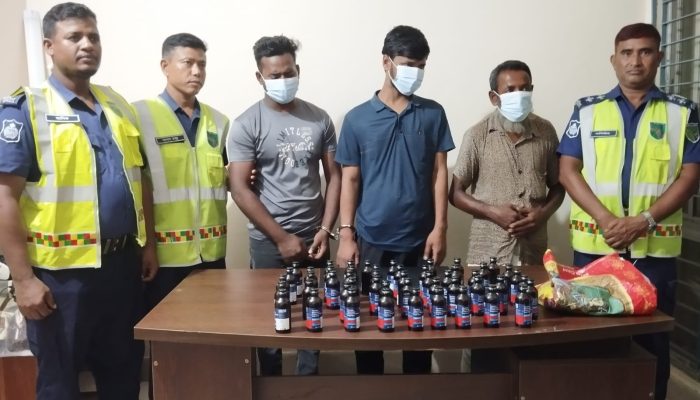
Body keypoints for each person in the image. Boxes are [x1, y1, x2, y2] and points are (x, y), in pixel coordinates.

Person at [0, 3, 156, 399]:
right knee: (60, 384)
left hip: (121, 269)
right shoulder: (26, 109)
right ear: (49, 46)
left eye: (93, 37)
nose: (87, 44)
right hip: (61, 278)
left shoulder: (117, 105)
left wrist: (148, 245)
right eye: (75, 37)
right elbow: (4, 198)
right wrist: (23, 280)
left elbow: (140, 179)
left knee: (123, 378)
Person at [558, 23, 700, 400]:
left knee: (652, 344)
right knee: (592, 342)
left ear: (660, 57)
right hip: (595, 250)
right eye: (627, 53)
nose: (635, 61)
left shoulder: (683, 112)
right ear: (614, 60)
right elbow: (567, 171)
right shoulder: (588, 110)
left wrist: (644, 221)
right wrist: (607, 220)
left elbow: (690, 176)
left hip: (654, 254)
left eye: (645, 51)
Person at [334, 25, 455, 374]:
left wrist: (440, 228)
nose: (414, 72)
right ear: (386, 62)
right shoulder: (357, 119)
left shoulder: (433, 113)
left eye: (421, 66)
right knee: (369, 330)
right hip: (370, 240)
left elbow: (439, 172)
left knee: (417, 329)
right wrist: (346, 235)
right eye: (407, 64)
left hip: (420, 240)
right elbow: (349, 179)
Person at [227, 35, 340, 375]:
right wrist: (281, 238)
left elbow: (335, 178)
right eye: (274, 75)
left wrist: (325, 230)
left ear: (298, 70)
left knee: (313, 315)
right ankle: (271, 383)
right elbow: (239, 188)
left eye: (288, 73)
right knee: (269, 320)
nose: (283, 80)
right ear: (259, 77)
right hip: (268, 241)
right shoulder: (247, 123)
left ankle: (307, 384)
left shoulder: (319, 119)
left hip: (315, 237)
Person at [132, 33, 229, 313]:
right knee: (165, 331)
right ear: (165, 66)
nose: (197, 71)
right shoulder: (139, 116)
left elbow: (220, 178)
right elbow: (137, 185)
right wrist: (148, 248)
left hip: (211, 253)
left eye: (202, 64)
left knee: (213, 325)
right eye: (188, 63)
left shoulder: (218, 121)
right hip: (163, 258)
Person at [449, 60, 564, 265]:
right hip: (487, 254)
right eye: (510, 90)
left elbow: (558, 186)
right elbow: (455, 194)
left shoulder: (546, 131)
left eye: (524, 89)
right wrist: (492, 212)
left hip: (534, 252)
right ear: (494, 97)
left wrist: (542, 214)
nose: (519, 95)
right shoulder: (477, 135)